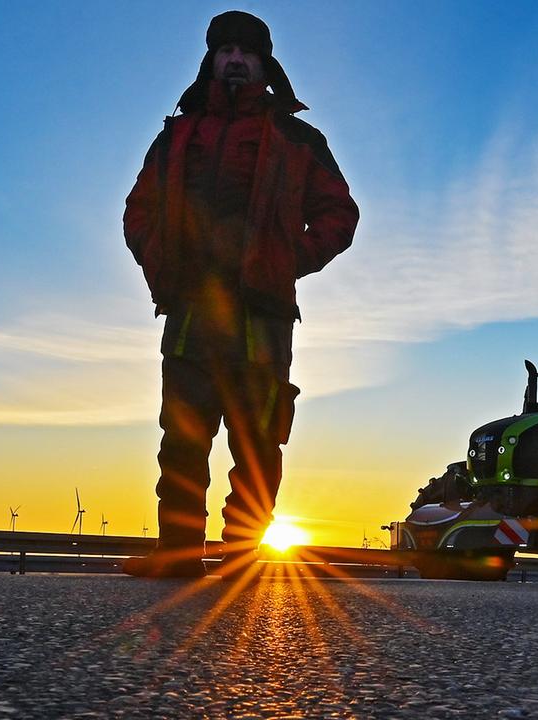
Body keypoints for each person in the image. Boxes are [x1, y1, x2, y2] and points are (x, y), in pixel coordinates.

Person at [121, 10, 358, 578]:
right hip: (191, 314)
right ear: (210, 61)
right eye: (224, 49)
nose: (234, 58)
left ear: (264, 65)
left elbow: (339, 214)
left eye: (246, 52)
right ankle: (177, 554)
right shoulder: (175, 135)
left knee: (256, 446)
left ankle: (243, 560)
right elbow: (138, 212)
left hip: (262, 318)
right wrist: (165, 270)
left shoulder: (298, 139)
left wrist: (285, 263)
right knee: (180, 440)